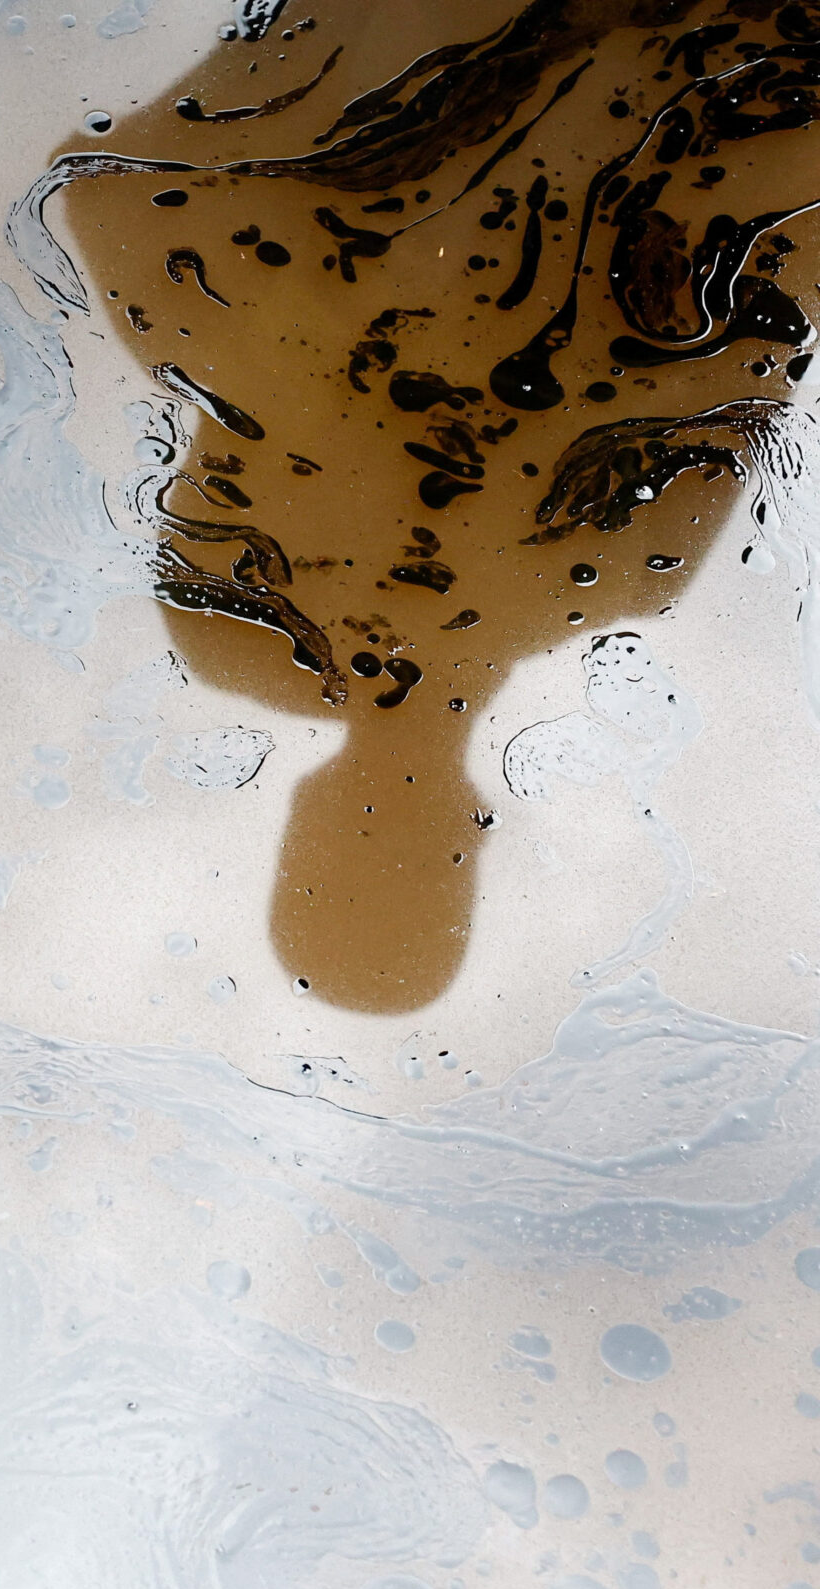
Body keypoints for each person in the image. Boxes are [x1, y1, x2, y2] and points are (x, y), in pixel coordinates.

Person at [45, 0, 817, 1010]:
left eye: (394, 856)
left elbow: (767, 311)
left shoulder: (241, 622)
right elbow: (770, 307)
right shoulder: (629, 570)